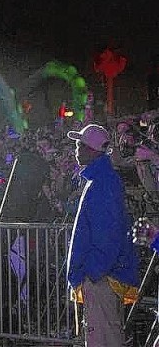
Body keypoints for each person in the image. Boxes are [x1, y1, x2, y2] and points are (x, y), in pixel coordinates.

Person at [66, 124, 139, 346]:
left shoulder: (102, 182)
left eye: (80, 145)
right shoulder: (102, 180)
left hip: (102, 278)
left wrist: (93, 271)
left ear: (94, 150)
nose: (76, 150)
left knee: (104, 336)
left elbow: (108, 234)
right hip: (103, 275)